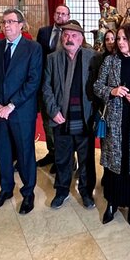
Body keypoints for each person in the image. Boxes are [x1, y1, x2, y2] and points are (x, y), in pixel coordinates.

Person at [93, 23, 130, 225]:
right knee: (114, 163)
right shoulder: (110, 61)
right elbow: (97, 86)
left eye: (124, 39)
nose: (119, 42)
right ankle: (112, 203)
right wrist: (112, 91)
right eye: (118, 38)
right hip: (115, 123)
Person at [0, 8, 42, 215]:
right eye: (4, 22)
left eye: (10, 22)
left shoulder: (33, 48)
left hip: (21, 112)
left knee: (25, 153)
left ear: (21, 25)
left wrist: (11, 105)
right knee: (4, 152)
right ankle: (6, 189)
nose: (6, 26)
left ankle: (28, 193)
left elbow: (33, 81)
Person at [42, 20, 101, 209]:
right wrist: (53, 111)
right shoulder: (52, 58)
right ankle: (62, 191)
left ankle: (86, 192)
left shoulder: (93, 57)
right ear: (61, 37)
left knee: (86, 159)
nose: (69, 39)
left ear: (81, 39)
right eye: (66, 35)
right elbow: (46, 88)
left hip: (84, 117)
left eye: (74, 35)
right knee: (62, 158)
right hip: (61, 117)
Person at [36, 4, 72, 171]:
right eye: (58, 13)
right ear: (54, 15)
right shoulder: (43, 32)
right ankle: (52, 152)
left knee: (64, 122)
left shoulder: (72, 33)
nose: (60, 16)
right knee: (47, 121)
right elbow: (38, 57)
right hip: (46, 83)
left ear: (68, 16)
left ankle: (65, 158)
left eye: (64, 14)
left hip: (66, 85)